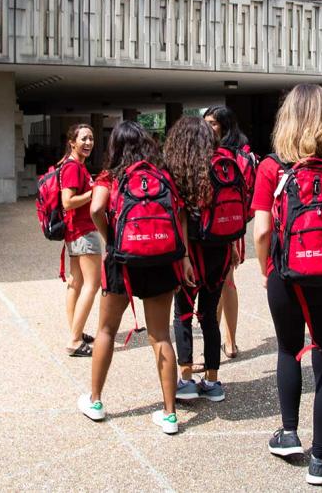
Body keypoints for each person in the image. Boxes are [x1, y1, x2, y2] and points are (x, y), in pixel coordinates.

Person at [253, 84, 322, 486]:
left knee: (288, 349)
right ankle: (320, 459)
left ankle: (288, 433)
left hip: (287, 274)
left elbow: (262, 232)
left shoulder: (271, 168)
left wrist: (267, 270)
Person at [79, 121, 194, 434]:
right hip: (161, 259)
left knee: (105, 330)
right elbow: (180, 213)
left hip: (123, 261)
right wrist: (183, 257)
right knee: (161, 336)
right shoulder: (164, 176)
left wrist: (111, 238)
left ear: (115, 147)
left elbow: (95, 209)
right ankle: (170, 414)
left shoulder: (110, 176)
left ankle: (96, 400)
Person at [169, 116, 238, 402]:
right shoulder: (223, 164)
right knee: (210, 315)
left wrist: (183, 256)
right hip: (220, 250)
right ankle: (212, 381)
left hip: (192, 252)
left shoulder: (183, 169)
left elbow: (181, 216)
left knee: (184, 314)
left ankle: (185, 378)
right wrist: (233, 245)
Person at [203, 105, 250, 359]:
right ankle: (224, 340)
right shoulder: (240, 155)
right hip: (230, 224)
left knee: (224, 283)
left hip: (224, 227)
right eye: (206, 122)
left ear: (225, 126)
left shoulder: (230, 155)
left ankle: (226, 341)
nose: (208, 127)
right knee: (224, 282)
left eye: (213, 123)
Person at [60, 124, 102, 357]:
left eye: (91, 139)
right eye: (84, 139)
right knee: (92, 284)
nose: (88, 143)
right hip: (83, 232)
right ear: (72, 142)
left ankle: (75, 330)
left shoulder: (73, 166)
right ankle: (75, 340)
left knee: (76, 282)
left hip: (75, 232)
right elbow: (68, 201)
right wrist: (93, 192)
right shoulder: (73, 167)